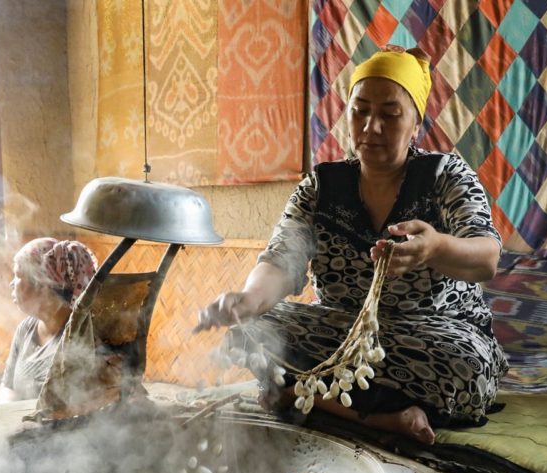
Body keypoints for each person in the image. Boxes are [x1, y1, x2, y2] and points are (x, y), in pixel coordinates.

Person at [195, 46, 507, 444]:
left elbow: (486, 257)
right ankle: (385, 413)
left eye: (390, 115)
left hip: (430, 337)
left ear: (416, 124)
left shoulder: (445, 176)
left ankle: (304, 395)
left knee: (469, 367)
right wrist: (248, 300)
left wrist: (435, 248)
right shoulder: (320, 187)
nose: (371, 127)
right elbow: (280, 259)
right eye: (360, 111)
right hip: (340, 330)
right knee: (255, 329)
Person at [0, 238, 98, 403]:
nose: (11, 284)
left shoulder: (79, 336)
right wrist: (8, 415)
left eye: (17, 276)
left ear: (43, 285)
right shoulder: (26, 328)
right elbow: (7, 386)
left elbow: (79, 406)